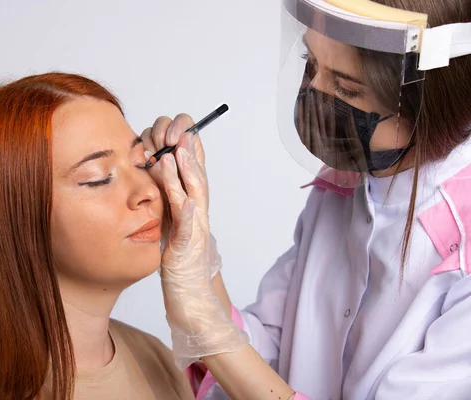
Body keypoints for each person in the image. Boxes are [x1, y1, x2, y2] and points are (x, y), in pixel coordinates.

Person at [142, 0, 471, 398]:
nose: (314, 93)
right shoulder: (346, 187)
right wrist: (191, 226)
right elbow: (265, 355)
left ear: (431, 100)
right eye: (311, 65)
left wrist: (209, 332)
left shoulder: (460, 248)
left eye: (346, 86)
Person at [0, 72, 194, 399]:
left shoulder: (159, 361)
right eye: (98, 178)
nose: (148, 192)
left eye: (141, 162)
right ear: (14, 213)